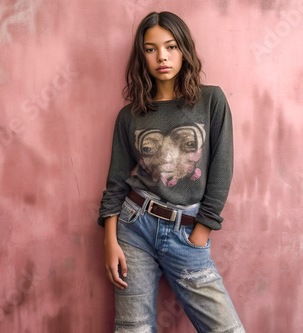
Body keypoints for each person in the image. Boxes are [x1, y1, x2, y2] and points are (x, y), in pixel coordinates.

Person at [98, 11, 245, 333]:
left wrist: (201, 232)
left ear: (184, 51)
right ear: (142, 56)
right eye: (151, 49)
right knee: (133, 328)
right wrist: (110, 241)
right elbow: (115, 183)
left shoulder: (211, 101)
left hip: (188, 231)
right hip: (134, 228)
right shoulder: (130, 115)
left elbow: (222, 169)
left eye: (171, 46)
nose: (161, 56)